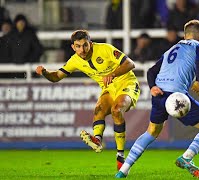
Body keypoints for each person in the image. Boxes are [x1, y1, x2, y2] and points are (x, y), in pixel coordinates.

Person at [115, 20, 199, 178]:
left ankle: (123, 170)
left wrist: (152, 87)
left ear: (185, 35)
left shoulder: (172, 49)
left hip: (159, 94)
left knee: (151, 132)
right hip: (177, 97)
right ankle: (187, 157)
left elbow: (151, 71)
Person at [35, 30, 140, 170]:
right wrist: (45, 73)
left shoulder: (105, 49)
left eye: (85, 45)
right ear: (73, 47)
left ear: (90, 43)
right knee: (98, 109)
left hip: (126, 83)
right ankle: (97, 140)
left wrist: (113, 74)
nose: (82, 50)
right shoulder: (74, 60)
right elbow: (56, 77)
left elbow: (130, 64)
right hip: (108, 88)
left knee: (116, 109)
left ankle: (120, 155)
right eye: (78, 46)